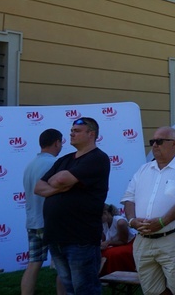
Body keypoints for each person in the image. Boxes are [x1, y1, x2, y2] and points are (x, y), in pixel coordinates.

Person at [122, 127, 175, 295]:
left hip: (174, 239)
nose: (155, 145)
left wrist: (161, 222)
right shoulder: (143, 170)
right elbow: (129, 198)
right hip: (143, 240)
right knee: (152, 291)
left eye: (159, 141)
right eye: (153, 142)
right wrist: (132, 221)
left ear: (174, 144)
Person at [34, 117, 110, 295]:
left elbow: (59, 179)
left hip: (80, 238)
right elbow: (38, 187)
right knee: (69, 287)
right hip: (57, 236)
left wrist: (59, 182)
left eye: (77, 131)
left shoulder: (98, 158)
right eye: (71, 130)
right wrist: (62, 188)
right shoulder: (64, 160)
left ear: (91, 134)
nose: (71, 134)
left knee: (85, 288)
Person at [21, 128, 65, 295]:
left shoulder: (30, 165)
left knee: (33, 264)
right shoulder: (54, 164)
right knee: (63, 266)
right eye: (61, 143)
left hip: (32, 222)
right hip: (50, 223)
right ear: (57, 143)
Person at [100, 204, 137, 276]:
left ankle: (112, 275)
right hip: (114, 245)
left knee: (111, 253)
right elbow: (103, 239)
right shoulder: (102, 223)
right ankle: (101, 275)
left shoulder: (120, 222)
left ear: (105, 213)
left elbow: (123, 241)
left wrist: (108, 243)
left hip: (129, 244)